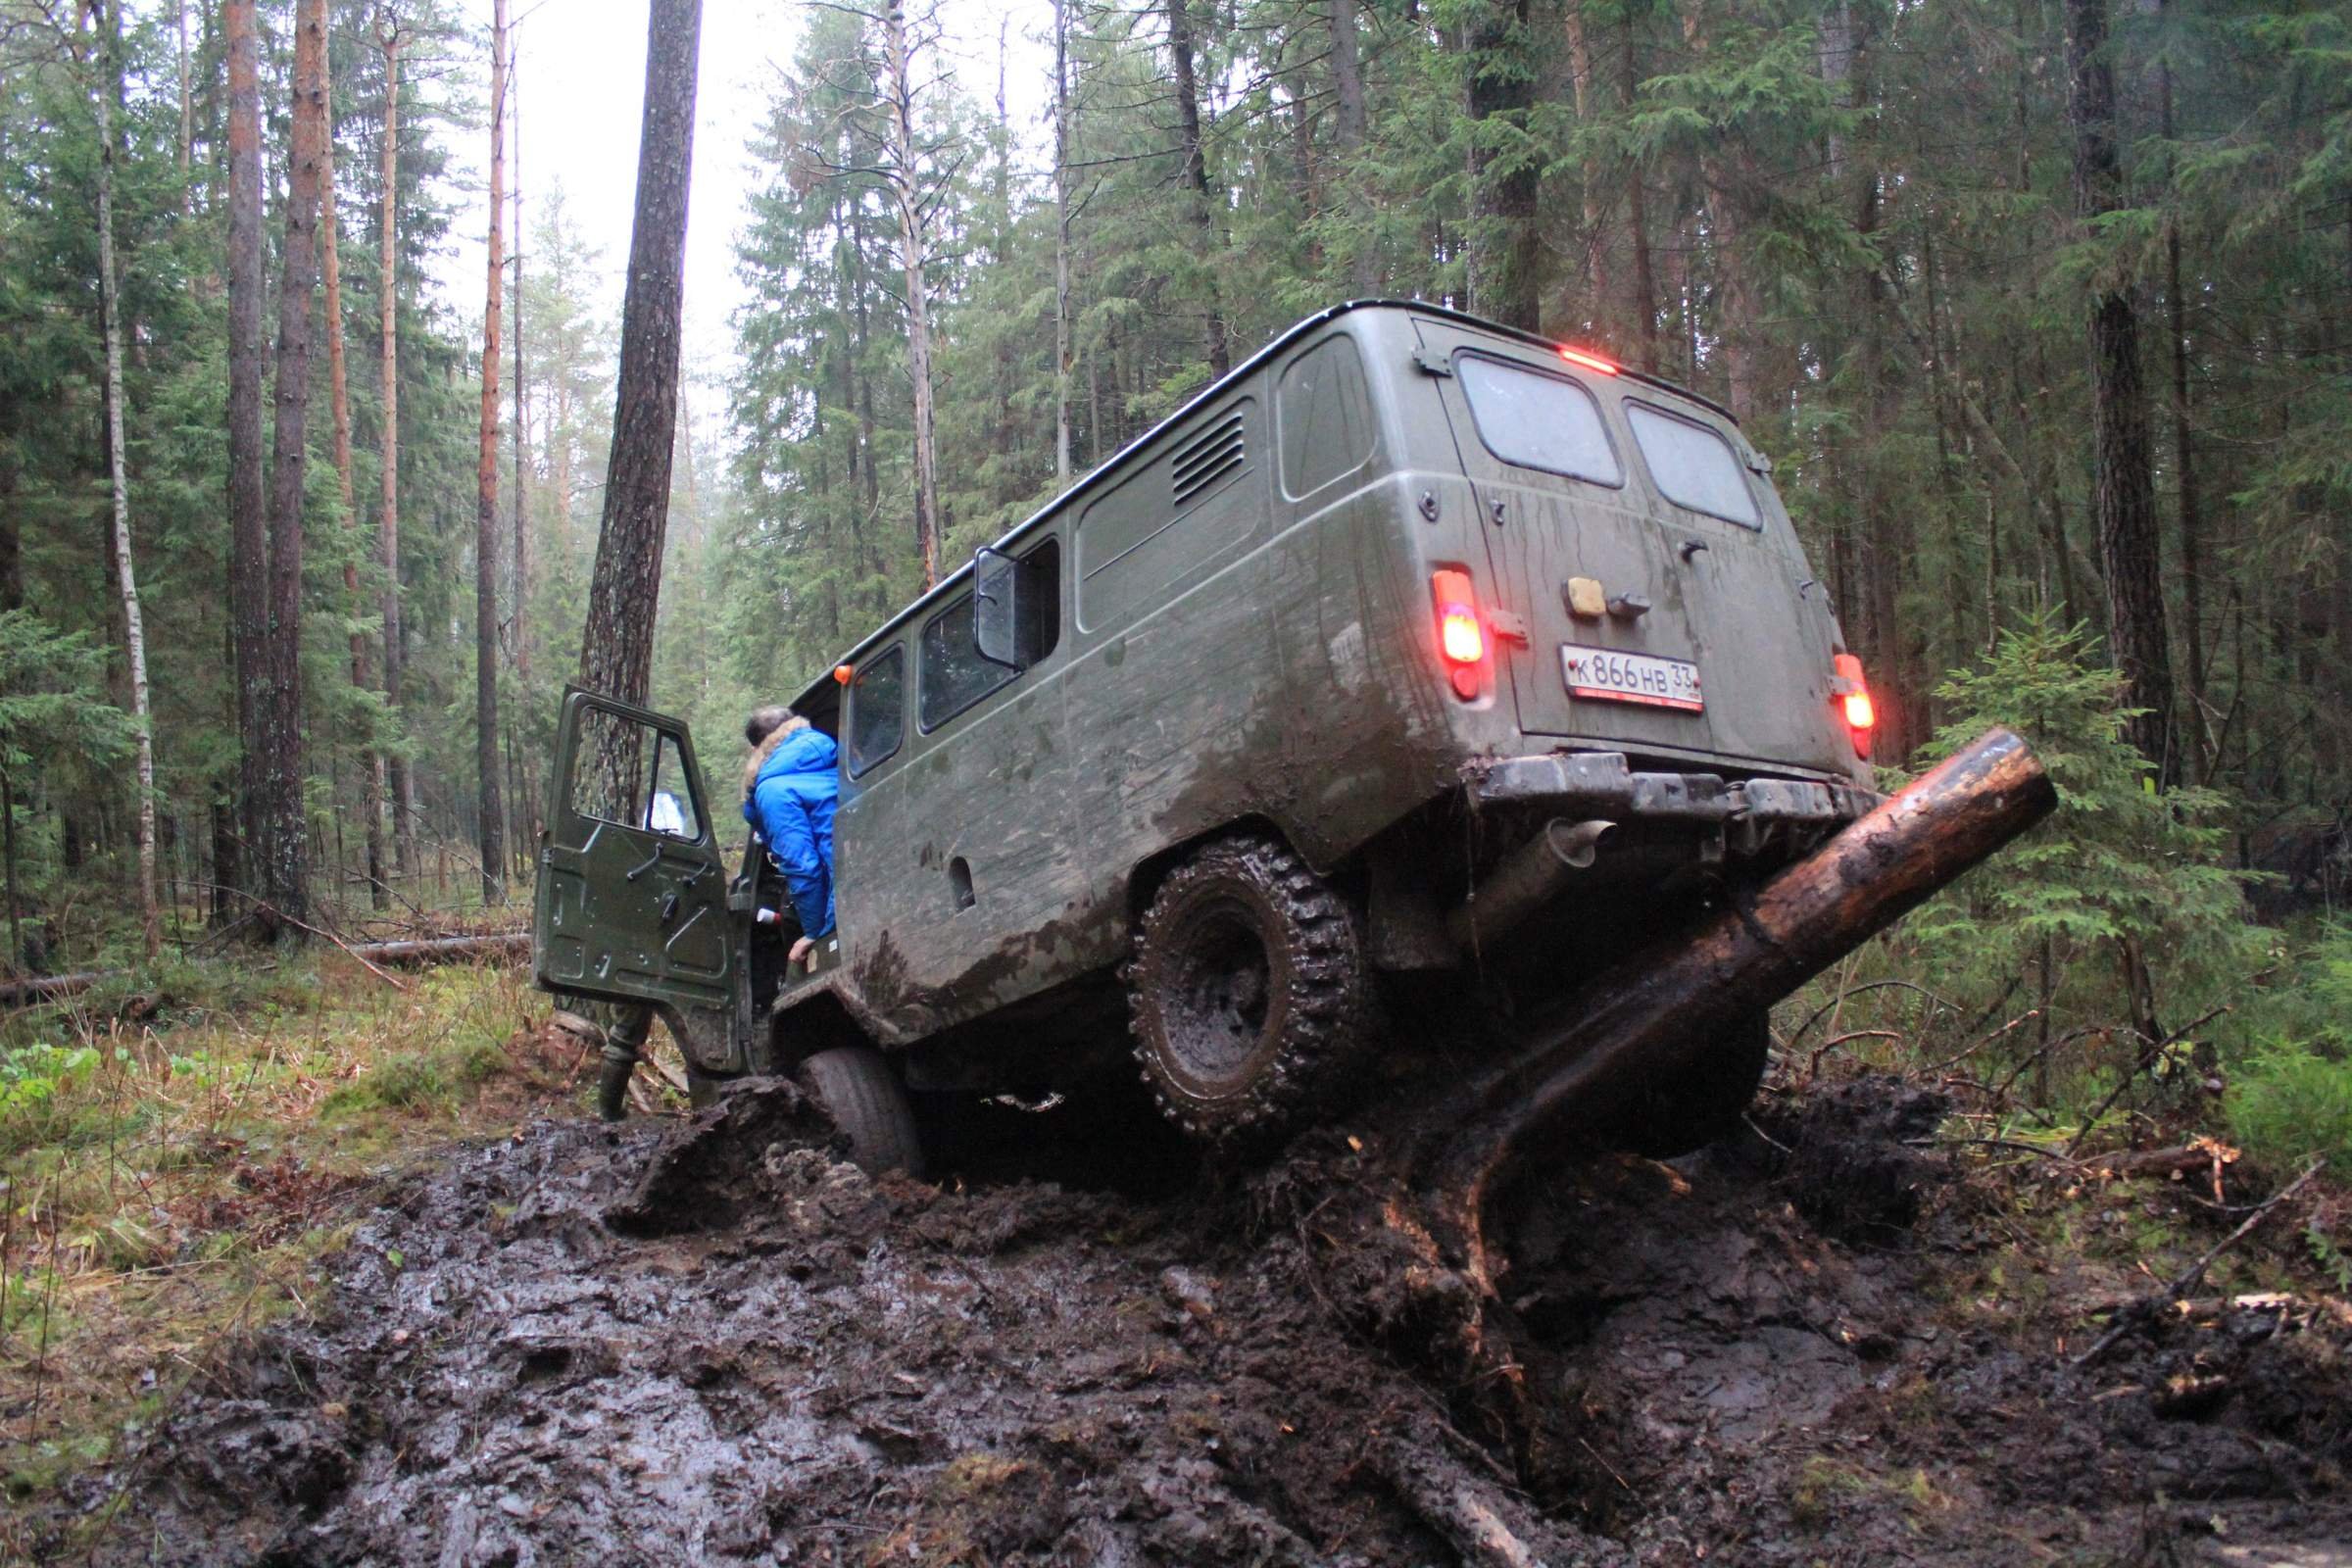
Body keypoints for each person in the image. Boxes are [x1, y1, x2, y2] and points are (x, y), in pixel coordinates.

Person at [742, 705, 839, 964]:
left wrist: (815, 936)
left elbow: (803, 867)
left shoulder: (772, 789)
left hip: (841, 888)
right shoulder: (831, 749)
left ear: (757, 749)